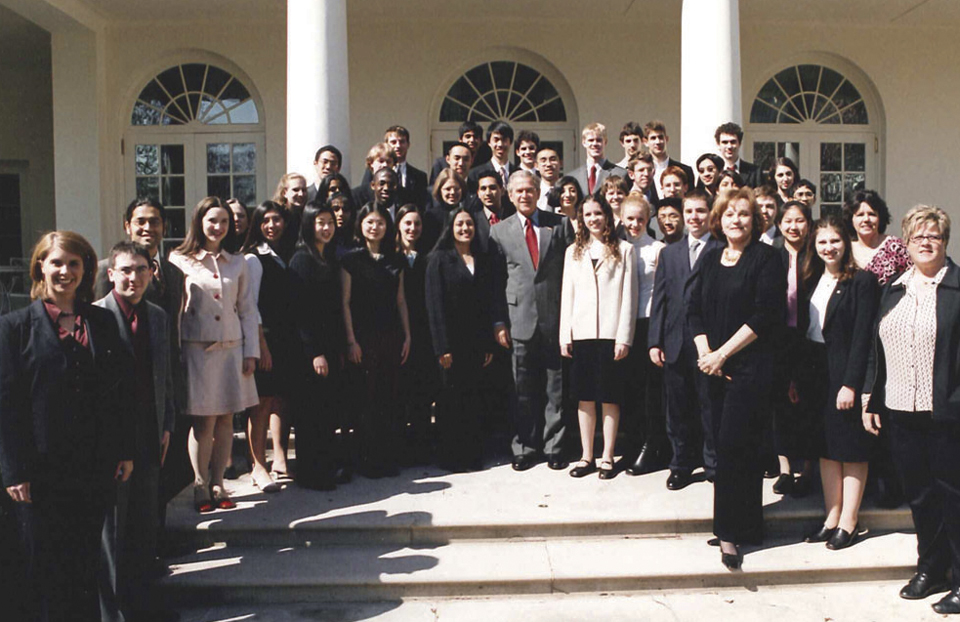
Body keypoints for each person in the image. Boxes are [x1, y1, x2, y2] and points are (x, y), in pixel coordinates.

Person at [1, 231, 134, 622]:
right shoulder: (14, 328)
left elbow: (118, 393)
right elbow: (6, 404)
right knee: (42, 569)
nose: (65, 271)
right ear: (40, 266)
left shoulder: (103, 321)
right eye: (56, 262)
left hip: (91, 471)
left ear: (86, 269)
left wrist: (124, 449)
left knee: (83, 566)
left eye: (74, 263)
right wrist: (14, 470)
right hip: (38, 475)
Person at [863, 206, 960, 614]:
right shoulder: (894, 289)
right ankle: (932, 566)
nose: (926, 241)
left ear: (945, 241)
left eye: (934, 235)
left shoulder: (956, 289)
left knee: (953, 494)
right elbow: (875, 346)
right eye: (918, 235)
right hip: (901, 407)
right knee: (919, 494)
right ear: (905, 242)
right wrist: (871, 394)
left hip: (946, 412)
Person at [688, 187, 786, 570]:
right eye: (729, 214)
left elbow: (764, 316)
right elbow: (693, 308)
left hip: (749, 368)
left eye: (744, 214)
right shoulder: (712, 258)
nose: (737, 220)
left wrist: (722, 354)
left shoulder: (767, 259)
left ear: (755, 219)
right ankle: (745, 524)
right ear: (719, 218)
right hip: (712, 368)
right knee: (725, 446)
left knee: (734, 449)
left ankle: (729, 535)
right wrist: (704, 355)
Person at [96, 241, 178, 622]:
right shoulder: (94, 317)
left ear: (152, 273)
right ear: (111, 274)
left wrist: (167, 426)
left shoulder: (159, 317)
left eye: (141, 270)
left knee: (143, 529)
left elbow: (168, 375)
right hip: (112, 442)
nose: (134, 277)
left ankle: (143, 606)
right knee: (113, 532)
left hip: (149, 437)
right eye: (126, 270)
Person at [92, 198, 188, 520]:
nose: (148, 227)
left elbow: (171, 334)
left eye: (155, 221)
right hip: (118, 408)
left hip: (158, 396)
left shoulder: (174, 274)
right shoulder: (108, 271)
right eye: (141, 221)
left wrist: (170, 411)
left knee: (158, 481)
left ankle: (155, 546)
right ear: (128, 225)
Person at [169, 197, 259, 513]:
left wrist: (252, 352)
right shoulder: (180, 260)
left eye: (223, 221)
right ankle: (199, 483)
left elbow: (247, 310)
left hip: (232, 349)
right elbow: (176, 310)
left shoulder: (239, 262)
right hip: (198, 351)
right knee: (203, 422)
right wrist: (176, 352)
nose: (218, 227)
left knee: (226, 420)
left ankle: (219, 482)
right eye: (212, 220)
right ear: (199, 222)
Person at [795, 215, 879, 550]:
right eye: (822, 242)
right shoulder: (811, 278)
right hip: (816, 371)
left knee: (851, 447)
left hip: (845, 373)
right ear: (814, 247)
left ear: (846, 243)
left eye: (835, 241)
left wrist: (851, 384)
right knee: (825, 449)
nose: (829, 248)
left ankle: (850, 520)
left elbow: (863, 337)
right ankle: (831, 516)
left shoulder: (862, 281)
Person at [489, 170, 569, 471]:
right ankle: (523, 446)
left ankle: (555, 446)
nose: (525, 195)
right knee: (521, 387)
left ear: (538, 193)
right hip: (517, 319)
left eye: (530, 190)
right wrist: (498, 322)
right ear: (510, 196)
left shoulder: (558, 226)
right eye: (519, 191)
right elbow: (495, 282)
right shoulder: (499, 232)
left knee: (555, 387)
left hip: (554, 318)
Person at [648, 190, 722, 488]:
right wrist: (655, 341)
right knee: (677, 408)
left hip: (710, 343)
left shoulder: (721, 249)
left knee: (710, 404)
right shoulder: (670, 252)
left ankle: (713, 462)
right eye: (689, 211)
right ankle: (680, 463)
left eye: (700, 211)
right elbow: (660, 300)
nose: (694, 217)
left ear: (710, 213)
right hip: (675, 341)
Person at [561, 196, 638, 479]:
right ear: (581, 218)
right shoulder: (574, 251)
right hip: (581, 333)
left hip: (610, 333)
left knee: (609, 396)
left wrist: (624, 337)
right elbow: (566, 295)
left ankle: (607, 456)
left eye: (598, 213)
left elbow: (629, 295)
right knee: (584, 397)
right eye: (587, 214)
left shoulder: (624, 250)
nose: (593, 219)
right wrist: (564, 334)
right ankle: (586, 456)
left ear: (607, 216)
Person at [341, 204, 412, 477]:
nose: (375, 227)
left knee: (389, 397)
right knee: (366, 398)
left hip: (391, 335)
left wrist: (408, 336)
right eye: (370, 222)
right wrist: (350, 341)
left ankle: (387, 456)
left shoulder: (396, 259)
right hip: (363, 337)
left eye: (380, 222)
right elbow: (345, 303)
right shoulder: (351, 260)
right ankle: (365, 458)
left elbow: (401, 300)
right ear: (361, 225)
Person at [426, 207, 498, 471]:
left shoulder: (480, 258)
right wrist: (441, 346)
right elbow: (434, 305)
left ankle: (471, 454)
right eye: (459, 224)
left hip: (475, 342)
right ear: (450, 228)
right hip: (450, 343)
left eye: (469, 224)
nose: (465, 228)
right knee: (450, 399)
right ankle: (451, 456)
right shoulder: (439, 259)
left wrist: (488, 343)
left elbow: (486, 303)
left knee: (472, 398)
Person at [288, 201, 344, 490]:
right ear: (309, 224)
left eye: (330, 222)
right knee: (311, 415)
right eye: (320, 222)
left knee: (325, 412)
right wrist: (315, 352)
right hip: (311, 352)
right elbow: (300, 311)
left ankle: (325, 468)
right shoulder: (302, 259)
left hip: (330, 345)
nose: (326, 228)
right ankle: (311, 474)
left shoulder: (328, 257)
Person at [242, 201, 297, 491]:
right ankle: (258, 465)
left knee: (282, 399)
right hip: (265, 337)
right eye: (266, 220)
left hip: (287, 338)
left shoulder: (285, 255)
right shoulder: (253, 259)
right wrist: (261, 345)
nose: (272, 225)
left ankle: (279, 457)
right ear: (258, 224)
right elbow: (250, 304)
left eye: (277, 219)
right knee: (262, 403)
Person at [618, 194, 668, 477]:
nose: (635, 224)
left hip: (649, 322)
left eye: (640, 219)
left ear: (647, 219)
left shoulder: (657, 248)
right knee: (629, 389)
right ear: (622, 219)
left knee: (651, 391)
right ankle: (632, 443)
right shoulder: (618, 247)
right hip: (624, 325)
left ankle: (652, 446)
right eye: (630, 219)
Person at [772, 201, 815, 496]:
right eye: (788, 220)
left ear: (808, 225)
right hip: (778, 339)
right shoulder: (771, 256)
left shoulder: (817, 257)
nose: (793, 226)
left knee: (810, 403)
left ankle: (810, 469)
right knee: (779, 405)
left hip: (810, 339)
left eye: (799, 220)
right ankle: (785, 468)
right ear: (779, 225)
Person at [396, 204, 439, 463]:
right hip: (397, 329)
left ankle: (422, 447)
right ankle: (401, 447)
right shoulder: (391, 256)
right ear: (399, 225)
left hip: (423, 330)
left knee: (422, 390)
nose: (413, 229)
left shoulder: (428, 257)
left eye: (417, 224)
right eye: (408, 224)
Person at [846, 189, 912, 286]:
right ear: (851, 220)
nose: (866, 219)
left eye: (872, 214)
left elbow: (912, 277)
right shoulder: (845, 250)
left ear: (880, 218)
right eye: (860, 215)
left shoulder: (896, 247)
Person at [359, 126, 429, 208]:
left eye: (402, 141)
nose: (398, 146)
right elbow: (364, 195)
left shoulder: (419, 176)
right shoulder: (373, 171)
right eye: (393, 142)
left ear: (408, 144)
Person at [422, 168, 473, 252]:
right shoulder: (430, 216)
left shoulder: (468, 215)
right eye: (448, 189)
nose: (452, 192)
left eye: (456, 189)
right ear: (440, 190)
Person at [571, 122, 628, 196]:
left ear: (605, 142)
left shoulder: (620, 174)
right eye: (591, 140)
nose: (595, 144)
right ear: (584, 142)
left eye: (599, 140)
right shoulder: (575, 177)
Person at [643, 120, 694, 200]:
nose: (658, 142)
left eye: (660, 137)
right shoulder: (642, 172)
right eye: (653, 138)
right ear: (645, 142)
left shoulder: (685, 170)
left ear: (666, 139)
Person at [430, 121, 487, 185]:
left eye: (475, 137)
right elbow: (433, 189)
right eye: (468, 136)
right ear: (460, 139)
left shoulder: (485, 165)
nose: (472, 140)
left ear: (481, 141)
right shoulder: (441, 164)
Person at [468, 121, 515, 187]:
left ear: (510, 142)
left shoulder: (519, 172)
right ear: (489, 142)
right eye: (496, 140)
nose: (500, 144)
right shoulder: (475, 174)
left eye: (504, 140)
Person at [274, 172, 309, 259]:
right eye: (295, 190)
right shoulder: (276, 217)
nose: (301, 194)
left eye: (304, 190)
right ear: (284, 193)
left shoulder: (307, 215)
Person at [715, 122, 761, 187]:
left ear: (739, 143)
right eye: (725, 142)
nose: (729, 146)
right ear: (718, 145)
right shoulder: (713, 172)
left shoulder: (755, 172)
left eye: (733, 142)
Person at [352, 143, 397, 208]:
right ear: (371, 163)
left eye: (388, 161)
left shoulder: (402, 195)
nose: (385, 165)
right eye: (381, 161)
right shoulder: (357, 196)